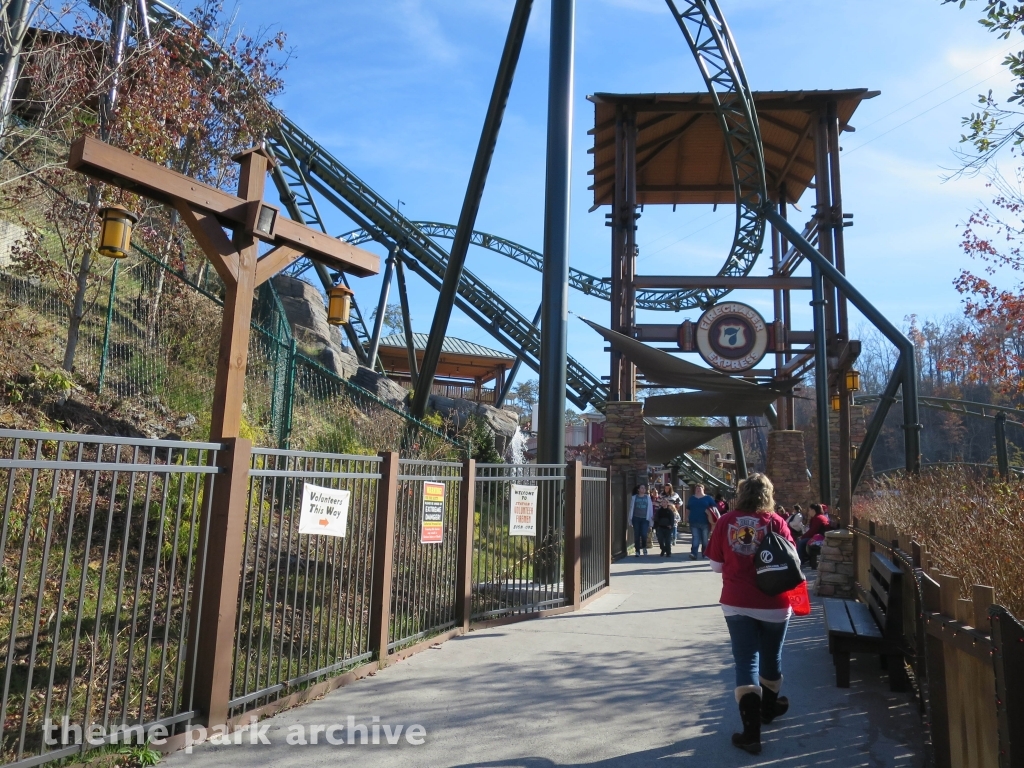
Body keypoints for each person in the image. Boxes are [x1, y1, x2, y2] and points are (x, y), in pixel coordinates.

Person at [706, 473, 795, 755]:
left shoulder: (726, 521)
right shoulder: (776, 522)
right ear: (768, 494)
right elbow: (793, 560)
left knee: (746, 661)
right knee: (772, 656)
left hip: (737, 601)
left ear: (742, 493)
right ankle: (768, 709)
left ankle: (751, 734)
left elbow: (715, 566)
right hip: (775, 602)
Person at [686, 484, 718, 560]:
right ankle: (694, 553)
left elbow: (714, 508)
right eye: (697, 488)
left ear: (703, 489)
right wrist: (686, 517)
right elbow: (688, 508)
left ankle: (705, 554)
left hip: (705, 522)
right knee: (695, 538)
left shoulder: (708, 498)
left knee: (705, 539)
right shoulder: (692, 498)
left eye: (700, 488)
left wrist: (711, 515)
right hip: (694, 521)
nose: (698, 489)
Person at [797, 503, 831, 568]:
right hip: (820, 536)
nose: (808, 512)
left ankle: (800, 560)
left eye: (809, 510)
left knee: (801, 542)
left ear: (813, 510)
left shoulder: (818, 518)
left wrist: (802, 537)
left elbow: (812, 531)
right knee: (801, 540)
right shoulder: (819, 517)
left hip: (821, 538)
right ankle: (804, 558)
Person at [629, 484, 653, 557]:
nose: (643, 489)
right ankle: (637, 550)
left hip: (645, 519)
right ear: (638, 489)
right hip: (636, 518)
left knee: (643, 534)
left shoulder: (647, 498)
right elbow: (631, 508)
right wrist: (630, 519)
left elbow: (650, 509)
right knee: (637, 534)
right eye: (642, 488)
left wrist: (651, 519)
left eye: (644, 488)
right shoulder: (634, 497)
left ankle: (644, 547)